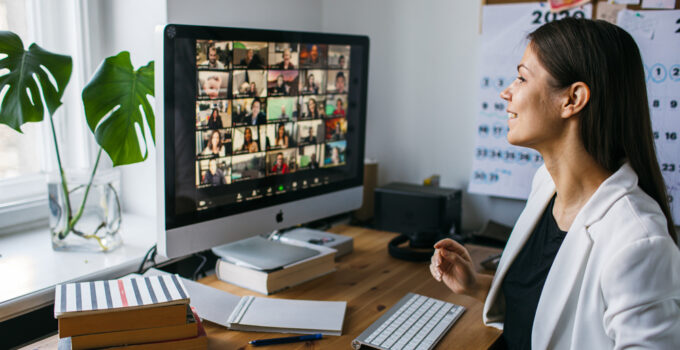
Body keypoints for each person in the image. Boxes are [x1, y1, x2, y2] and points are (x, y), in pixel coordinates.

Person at [429, 18, 680, 350]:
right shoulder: (546, 184)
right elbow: (550, 308)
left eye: (521, 78)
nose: (506, 92)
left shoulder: (638, 243)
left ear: (572, 99)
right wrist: (476, 286)